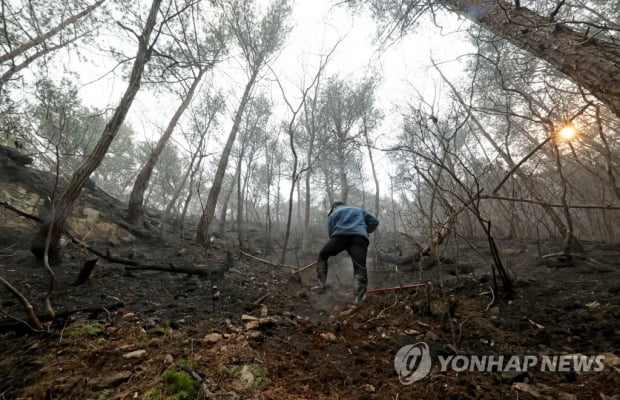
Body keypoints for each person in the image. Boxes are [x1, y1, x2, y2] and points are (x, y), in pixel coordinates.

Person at [311, 201, 379, 304]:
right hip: (359, 238)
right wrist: (365, 230)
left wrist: (337, 246)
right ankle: (359, 299)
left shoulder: (333, 213)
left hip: (339, 237)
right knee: (360, 267)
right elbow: (375, 222)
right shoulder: (359, 210)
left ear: (334, 207)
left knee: (323, 255)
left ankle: (320, 285)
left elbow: (331, 232)